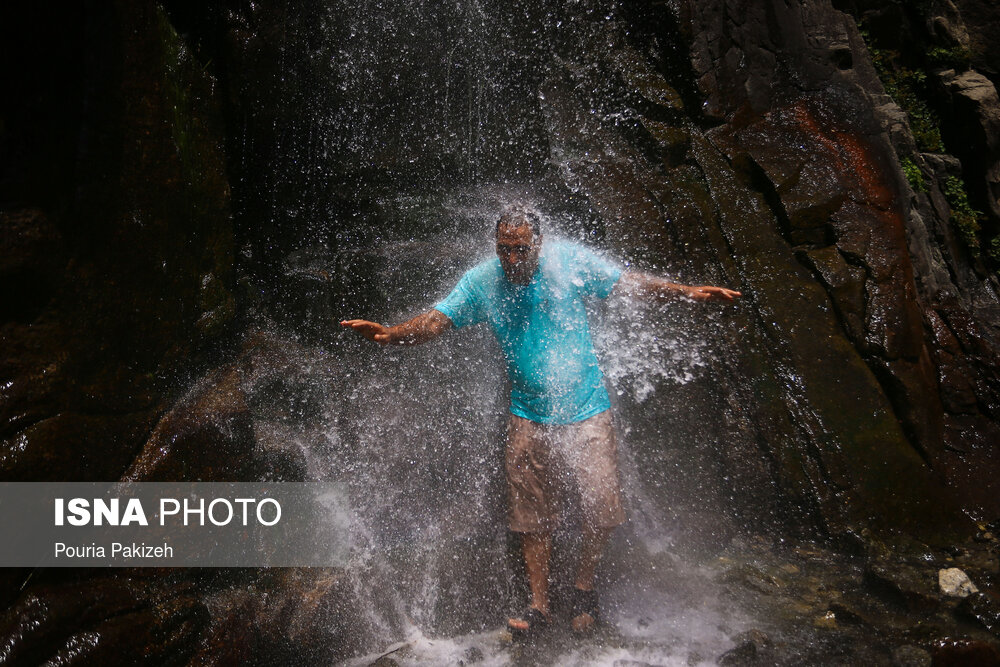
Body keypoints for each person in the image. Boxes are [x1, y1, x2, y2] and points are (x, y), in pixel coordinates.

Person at [341, 204, 740, 637]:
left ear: (539, 244)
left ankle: (584, 587)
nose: (511, 260)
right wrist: (391, 334)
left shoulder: (570, 262)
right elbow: (439, 320)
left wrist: (685, 292)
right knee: (532, 516)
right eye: (503, 250)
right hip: (527, 414)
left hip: (587, 407)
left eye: (520, 250)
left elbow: (627, 284)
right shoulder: (483, 280)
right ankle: (539, 605)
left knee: (602, 506)